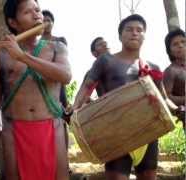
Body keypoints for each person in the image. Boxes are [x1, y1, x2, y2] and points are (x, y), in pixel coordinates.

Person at [0, 0, 72, 179]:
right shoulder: (2, 55)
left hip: (52, 126)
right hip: (14, 130)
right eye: (28, 12)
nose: (37, 14)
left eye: (38, 10)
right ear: (13, 22)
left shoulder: (56, 47)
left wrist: (22, 56)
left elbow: (65, 76)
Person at [73, 14, 172, 180]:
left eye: (139, 30)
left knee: (148, 176)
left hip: (147, 133)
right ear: (120, 35)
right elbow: (87, 87)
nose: (135, 33)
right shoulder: (106, 61)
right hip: (115, 132)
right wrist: (75, 107)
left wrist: (179, 109)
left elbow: (164, 98)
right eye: (129, 29)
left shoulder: (152, 67)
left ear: (144, 36)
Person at [163, 28, 186, 127]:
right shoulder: (170, 71)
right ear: (170, 51)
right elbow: (166, 98)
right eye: (175, 44)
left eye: (183, 42)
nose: (180, 45)